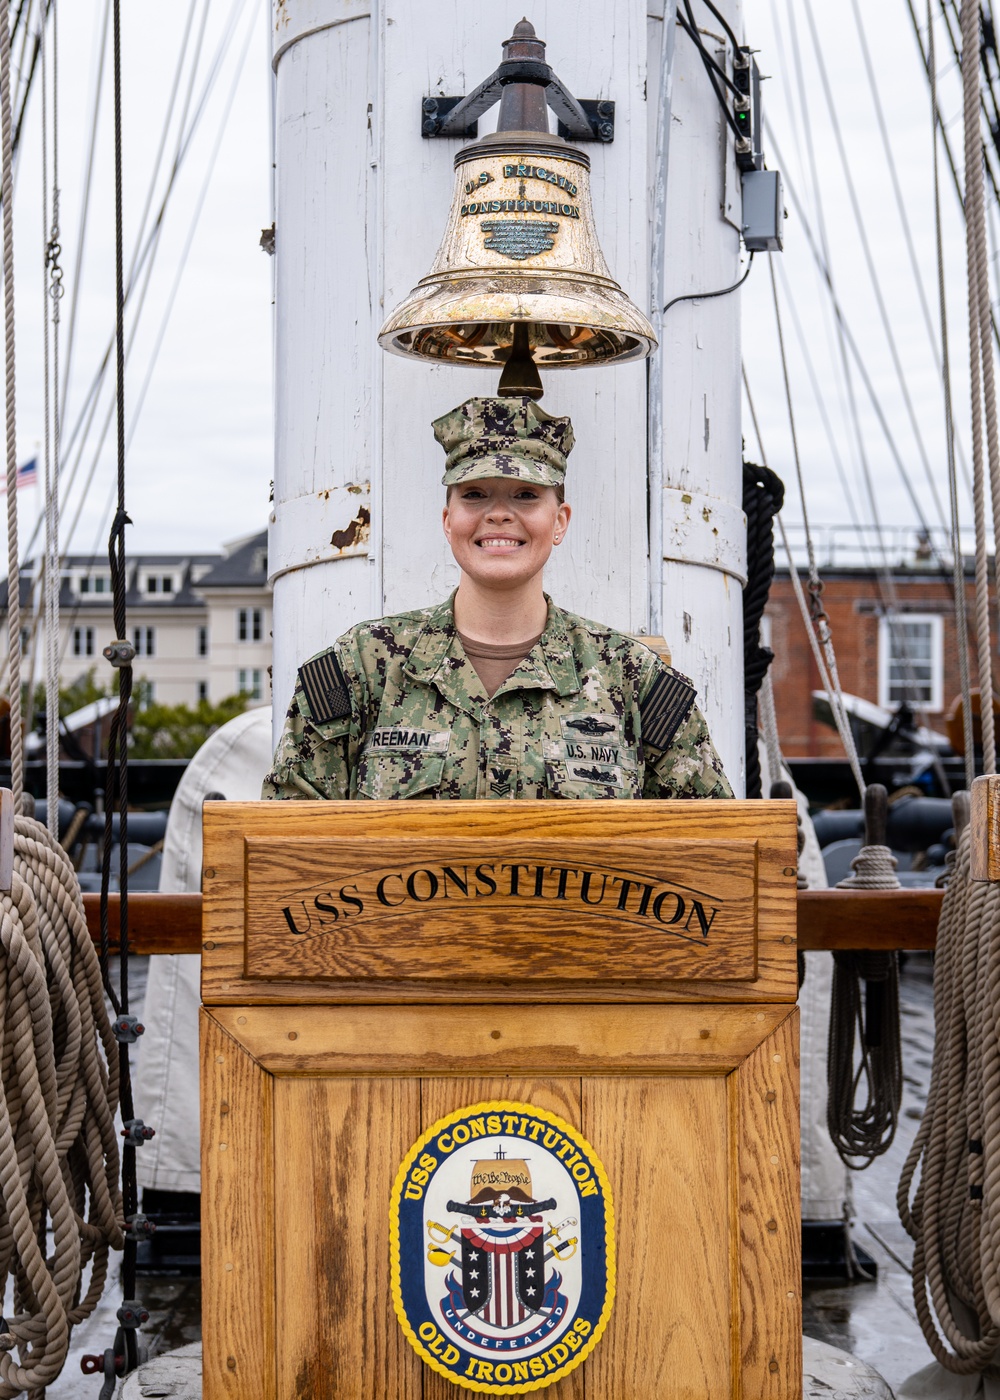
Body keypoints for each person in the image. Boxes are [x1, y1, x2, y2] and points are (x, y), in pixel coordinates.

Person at [262, 396, 733, 802]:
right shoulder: (362, 668)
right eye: (476, 494)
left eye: (526, 495)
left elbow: (714, 850)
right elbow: (283, 847)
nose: (500, 514)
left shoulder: (633, 679)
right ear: (448, 520)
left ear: (560, 521)